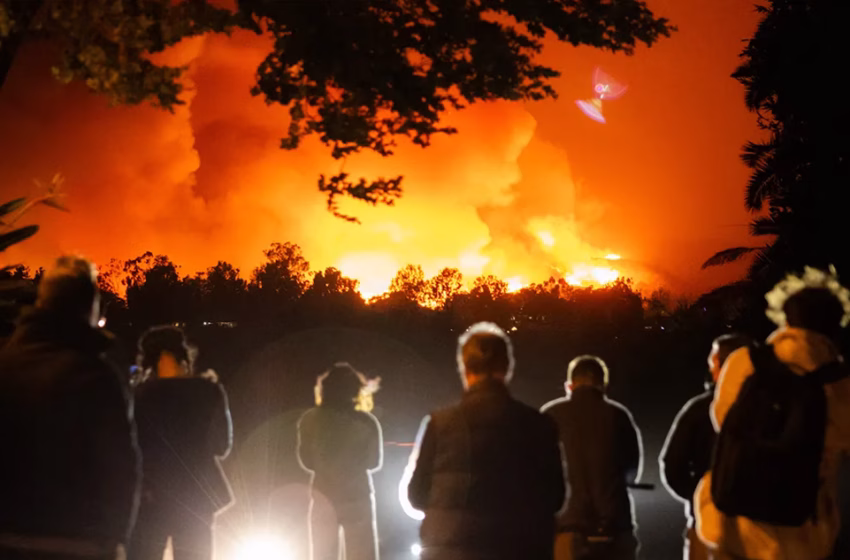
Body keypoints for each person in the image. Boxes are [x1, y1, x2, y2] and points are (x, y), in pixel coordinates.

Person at [696, 266, 850, 560]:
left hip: (734, 526)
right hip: (803, 531)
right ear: (836, 324)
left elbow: (721, 419)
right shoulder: (839, 383)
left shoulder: (745, 362)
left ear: (785, 318)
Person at [0, 255, 140, 559]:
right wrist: (116, 538)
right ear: (90, 309)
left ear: (41, 303)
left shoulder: (5, 366)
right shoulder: (95, 376)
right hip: (77, 544)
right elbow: (120, 468)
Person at [404, 322, 565, 560]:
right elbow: (555, 497)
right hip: (519, 549)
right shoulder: (539, 425)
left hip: (450, 550)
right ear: (507, 368)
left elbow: (416, 495)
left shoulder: (440, 424)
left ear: (465, 368)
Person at [128, 326, 233, 560]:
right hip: (196, 495)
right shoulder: (209, 392)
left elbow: (130, 449)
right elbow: (222, 445)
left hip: (151, 496)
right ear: (184, 356)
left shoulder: (139, 396)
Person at [541, 355, 644, 560]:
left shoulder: (549, 416)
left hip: (567, 529)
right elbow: (632, 470)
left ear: (569, 386)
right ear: (603, 385)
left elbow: (537, 474)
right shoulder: (618, 415)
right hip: (614, 528)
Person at [660, 334, 750, 560]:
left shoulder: (700, 410)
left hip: (708, 528)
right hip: (761, 531)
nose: (711, 370)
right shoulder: (774, 406)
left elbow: (672, 465)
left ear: (722, 365)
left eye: (713, 363)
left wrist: (700, 497)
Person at [297, 363, 383, 560]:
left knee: (323, 554)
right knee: (362, 554)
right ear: (355, 390)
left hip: (323, 495)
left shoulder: (309, 419)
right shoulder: (367, 422)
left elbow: (306, 461)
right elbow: (374, 462)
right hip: (357, 496)